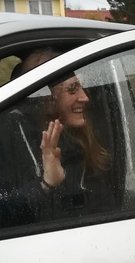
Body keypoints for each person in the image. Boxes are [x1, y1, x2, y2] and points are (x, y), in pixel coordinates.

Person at [0, 48, 115, 228]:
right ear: (46, 97)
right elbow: (6, 212)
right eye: (72, 89)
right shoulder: (10, 134)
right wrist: (45, 185)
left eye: (82, 87)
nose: (85, 97)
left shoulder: (80, 139)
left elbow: (105, 208)